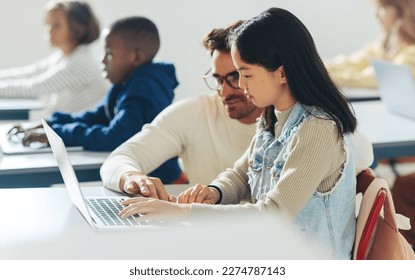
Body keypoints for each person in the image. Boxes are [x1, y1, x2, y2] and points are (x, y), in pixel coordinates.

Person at [117, 8, 369, 259]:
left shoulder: (318, 129)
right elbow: (242, 175)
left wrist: (184, 213)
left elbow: (274, 213)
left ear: (282, 72)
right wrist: (213, 192)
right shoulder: (271, 115)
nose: (241, 84)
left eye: (246, 74)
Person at [8, 16, 183, 184]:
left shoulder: (145, 89)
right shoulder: (125, 83)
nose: (102, 60)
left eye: (109, 54)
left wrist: (60, 134)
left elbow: (115, 137)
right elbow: (98, 116)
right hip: (139, 181)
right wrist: (52, 125)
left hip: (164, 185)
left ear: (136, 58)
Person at [100, 21, 264, 197]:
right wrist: (131, 177)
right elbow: (118, 159)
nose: (224, 91)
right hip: (204, 222)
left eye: (235, 76)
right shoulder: (195, 112)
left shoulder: (287, 121)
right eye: (217, 79)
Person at [0, 0, 109, 118]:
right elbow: (28, 73)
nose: (49, 30)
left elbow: (34, 87)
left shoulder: (81, 62)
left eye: (56, 25)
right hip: (63, 128)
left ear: (77, 28)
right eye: (48, 23)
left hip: (79, 132)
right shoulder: (60, 57)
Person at [326, 0, 415, 89]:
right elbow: (354, 62)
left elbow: (385, 78)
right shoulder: (383, 44)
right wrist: (322, 68)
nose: (375, 14)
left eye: (381, 8)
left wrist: (333, 78)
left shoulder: (411, 52)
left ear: (402, 10)